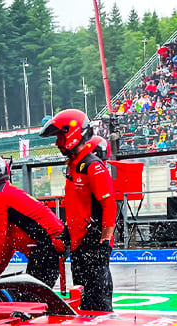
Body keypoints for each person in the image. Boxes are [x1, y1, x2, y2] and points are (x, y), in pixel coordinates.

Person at [40, 109, 115, 311]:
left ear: (72, 134)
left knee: (98, 303)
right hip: (79, 245)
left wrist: (105, 243)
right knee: (83, 301)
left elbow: (109, 205)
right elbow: (77, 207)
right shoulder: (74, 165)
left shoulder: (93, 166)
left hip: (94, 244)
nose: (57, 143)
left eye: (59, 137)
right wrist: (66, 234)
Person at [0, 153, 65, 286]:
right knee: (32, 291)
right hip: (51, 244)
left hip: (47, 245)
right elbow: (7, 243)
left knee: (32, 297)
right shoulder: (7, 192)